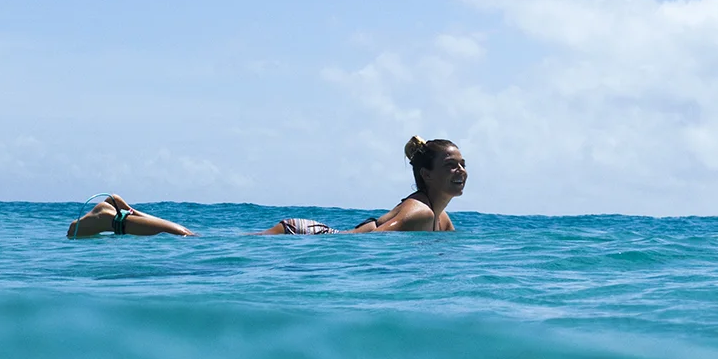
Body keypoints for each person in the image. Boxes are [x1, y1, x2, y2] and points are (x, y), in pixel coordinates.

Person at [66, 136, 467, 238]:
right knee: (197, 242)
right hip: (312, 238)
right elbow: (365, 244)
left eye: (464, 165)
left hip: (315, 236)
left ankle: (124, 216)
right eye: (451, 165)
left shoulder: (442, 222)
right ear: (426, 175)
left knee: (201, 240)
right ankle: (112, 218)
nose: (461, 171)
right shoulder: (421, 213)